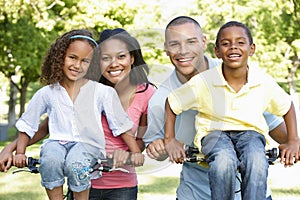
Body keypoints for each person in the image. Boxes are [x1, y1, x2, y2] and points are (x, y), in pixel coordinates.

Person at [142, 16, 294, 200]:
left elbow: (278, 127)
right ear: (165, 48)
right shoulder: (161, 98)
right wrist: (160, 146)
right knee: (222, 158)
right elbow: (158, 151)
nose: (183, 51)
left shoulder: (235, 69)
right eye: (174, 44)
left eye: (191, 41)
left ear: (204, 42)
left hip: (251, 190)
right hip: (197, 193)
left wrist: (293, 143)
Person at [12, 29, 143, 200]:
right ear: (60, 57)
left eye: (85, 61)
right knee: (50, 159)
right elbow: (28, 124)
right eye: (72, 58)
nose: (77, 65)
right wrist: (20, 152)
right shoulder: (47, 93)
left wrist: (135, 152)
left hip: (88, 144)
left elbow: (120, 124)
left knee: (76, 163)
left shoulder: (101, 92)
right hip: (57, 141)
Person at [88, 28, 155, 200]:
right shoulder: (87, 90)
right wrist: (13, 148)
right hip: (83, 182)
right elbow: (50, 124)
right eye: (106, 58)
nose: (114, 63)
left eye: (121, 56)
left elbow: (142, 141)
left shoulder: (146, 94)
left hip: (123, 187)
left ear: (132, 58)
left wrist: (127, 154)